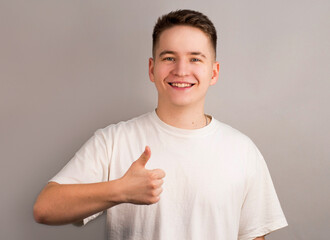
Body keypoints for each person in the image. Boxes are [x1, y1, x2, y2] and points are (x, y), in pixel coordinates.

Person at [33, 9, 288, 240]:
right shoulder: (114, 140)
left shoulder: (242, 151)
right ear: (152, 69)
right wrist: (120, 190)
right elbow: (45, 208)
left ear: (214, 72)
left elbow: (254, 237)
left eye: (195, 59)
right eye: (169, 58)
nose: (181, 70)